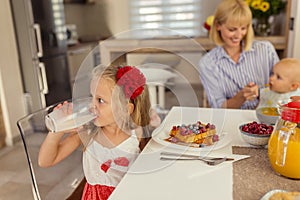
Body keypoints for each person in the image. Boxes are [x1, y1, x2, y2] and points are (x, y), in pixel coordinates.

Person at [38, 65, 158, 199]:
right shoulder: (88, 132)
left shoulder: (137, 133)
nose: (91, 106)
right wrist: (56, 131)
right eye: (92, 97)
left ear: (125, 109)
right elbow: (45, 161)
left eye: (100, 100)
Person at [198, 0, 279, 109]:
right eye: (232, 29)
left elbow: (283, 87)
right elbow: (219, 108)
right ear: (217, 25)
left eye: (243, 28)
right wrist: (241, 97)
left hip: (267, 116)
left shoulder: (265, 50)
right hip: (233, 119)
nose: (238, 35)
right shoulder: (208, 63)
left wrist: (260, 92)